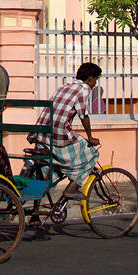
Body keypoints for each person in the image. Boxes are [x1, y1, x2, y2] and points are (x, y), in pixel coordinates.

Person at [25, 62, 102, 228]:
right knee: (91, 154)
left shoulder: (64, 87)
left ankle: (35, 216)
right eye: (96, 79)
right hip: (58, 136)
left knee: (44, 172)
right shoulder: (84, 89)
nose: (96, 83)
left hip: (41, 133)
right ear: (90, 79)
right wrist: (90, 137)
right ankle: (73, 188)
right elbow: (84, 114)